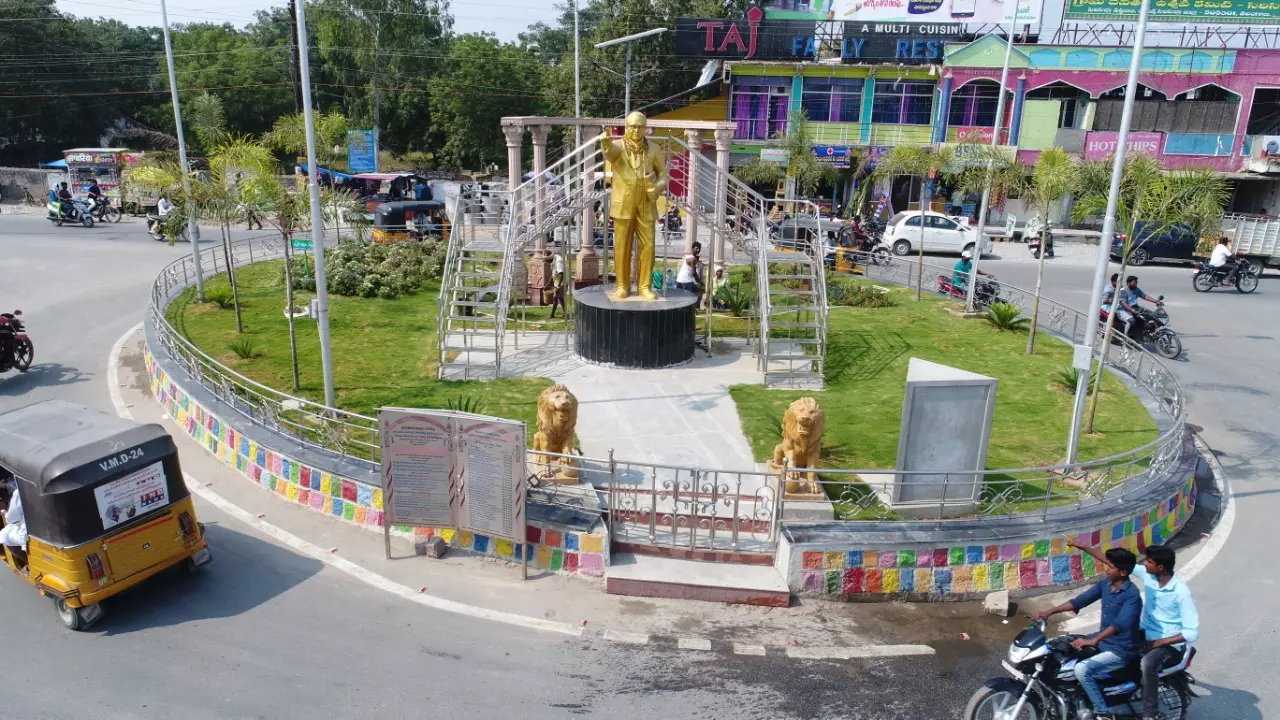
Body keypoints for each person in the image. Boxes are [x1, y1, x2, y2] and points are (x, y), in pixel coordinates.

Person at [1072, 542, 1198, 720]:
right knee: (1102, 644)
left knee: (1147, 664)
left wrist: (1158, 643)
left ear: (1160, 567)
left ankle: (1149, 714)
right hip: (1146, 632)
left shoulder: (1181, 592)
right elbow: (1119, 564)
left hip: (1168, 642)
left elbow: (1191, 632)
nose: (1145, 564)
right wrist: (1083, 547)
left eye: (1149, 562)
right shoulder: (1150, 577)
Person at [1036, 546, 1142, 720]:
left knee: (1081, 669)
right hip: (1104, 642)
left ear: (1122, 572)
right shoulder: (1106, 585)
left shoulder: (1132, 595)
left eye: (1110, 566)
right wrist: (1048, 612)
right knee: (1062, 646)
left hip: (1121, 650)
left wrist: (1093, 640)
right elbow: (1079, 601)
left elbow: (1120, 624)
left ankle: (1102, 712)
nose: (1106, 568)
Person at [1118, 275, 1161, 343]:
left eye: (1136, 283)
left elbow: (1144, 296)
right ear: (1128, 283)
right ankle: (1125, 337)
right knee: (1132, 321)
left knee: (1150, 315)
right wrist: (1132, 310)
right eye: (1134, 283)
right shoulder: (1124, 291)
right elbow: (1123, 303)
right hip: (1125, 309)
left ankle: (1146, 333)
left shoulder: (1136, 289)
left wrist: (1156, 301)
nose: (1135, 284)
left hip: (1135, 308)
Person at [0, 478, 27, 572]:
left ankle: (28, 563)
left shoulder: (18, 493)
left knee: (4, 535)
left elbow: (11, 518)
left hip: (29, 529)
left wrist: (4, 511)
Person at [548, 253, 567, 319]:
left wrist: (558, 286)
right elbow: (554, 272)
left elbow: (562, 274)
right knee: (560, 298)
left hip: (561, 283)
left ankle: (552, 314)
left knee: (555, 298)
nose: (547, 262)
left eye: (547, 260)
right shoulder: (554, 260)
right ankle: (565, 313)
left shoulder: (558, 261)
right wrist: (549, 283)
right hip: (558, 283)